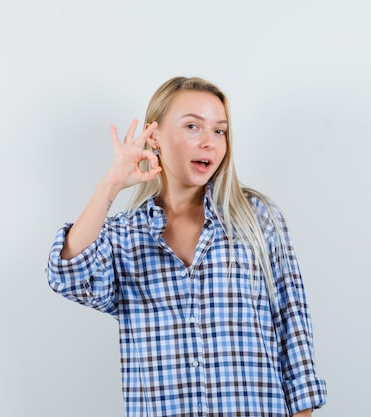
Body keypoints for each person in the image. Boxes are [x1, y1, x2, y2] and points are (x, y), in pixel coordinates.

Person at [47, 76, 327, 416]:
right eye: (193, 126)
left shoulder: (257, 218)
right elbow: (68, 277)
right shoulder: (123, 236)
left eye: (219, 131)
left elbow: (293, 330)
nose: (209, 142)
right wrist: (111, 185)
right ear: (156, 137)